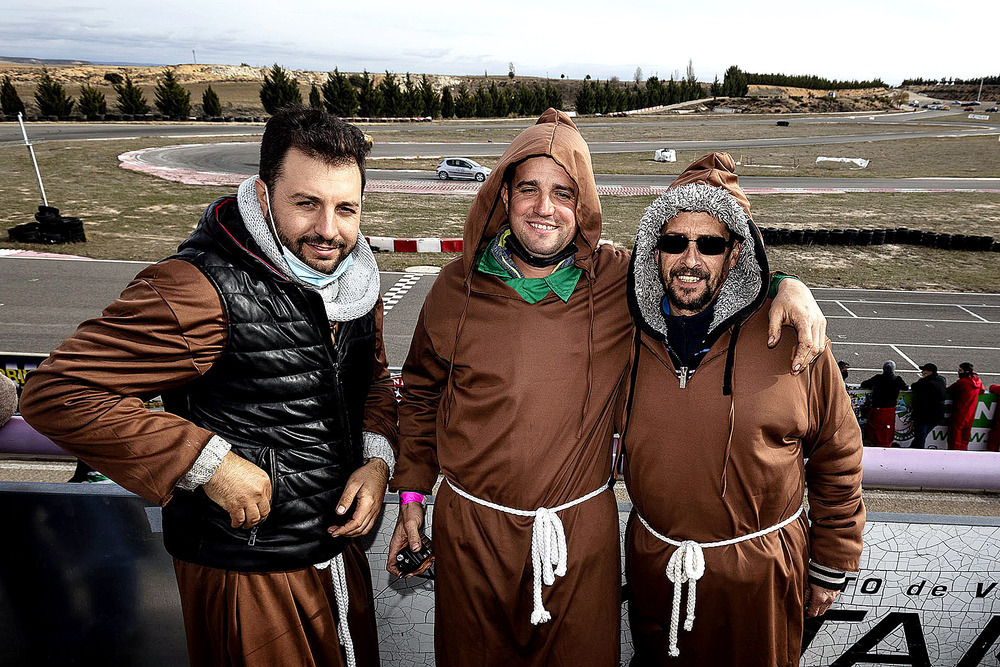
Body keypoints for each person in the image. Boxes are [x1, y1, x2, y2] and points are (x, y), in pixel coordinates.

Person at [386, 111, 828, 665]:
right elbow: (422, 394)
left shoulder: (620, 281)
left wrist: (787, 285)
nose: (544, 208)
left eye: (563, 193)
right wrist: (409, 498)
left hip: (578, 536)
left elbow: (699, 271)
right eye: (528, 189)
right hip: (472, 532)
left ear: (585, 203)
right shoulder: (453, 287)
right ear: (502, 196)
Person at [20, 107, 398, 667]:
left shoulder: (354, 280)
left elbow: (372, 384)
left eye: (347, 208)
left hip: (336, 558)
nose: (329, 229)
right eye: (306, 203)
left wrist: (376, 461)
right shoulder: (198, 287)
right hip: (247, 575)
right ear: (264, 197)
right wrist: (207, 462)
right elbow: (58, 392)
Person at [621, 153, 864, 666]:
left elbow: (837, 453)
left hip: (762, 577)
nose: (690, 259)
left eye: (710, 244)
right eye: (674, 241)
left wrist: (832, 562)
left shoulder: (792, 338)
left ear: (736, 253)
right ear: (653, 249)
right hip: (657, 569)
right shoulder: (624, 334)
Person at [860, 361, 909, 447]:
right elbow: (905, 387)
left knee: (876, 427)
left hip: (878, 408)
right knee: (887, 429)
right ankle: (885, 444)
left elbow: (864, 384)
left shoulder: (878, 378)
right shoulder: (897, 379)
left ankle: (876, 443)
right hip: (890, 409)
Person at [909, 363, 947, 449]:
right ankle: (913, 449)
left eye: (924, 370)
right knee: (922, 436)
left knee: (920, 437)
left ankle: (917, 453)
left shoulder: (924, 382)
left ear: (929, 372)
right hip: (937, 415)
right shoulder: (941, 380)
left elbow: (914, 386)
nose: (922, 372)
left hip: (924, 415)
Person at [948, 362, 985, 450]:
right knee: (965, 436)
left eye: (960, 370)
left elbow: (950, 389)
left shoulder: (962, 382)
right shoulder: (978, 381)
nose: (958, 372)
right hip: (971, 413)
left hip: (960, 411)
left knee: (955, 435)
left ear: (966, 371)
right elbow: (982, 391)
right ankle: (963, 452)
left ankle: (954, 454)